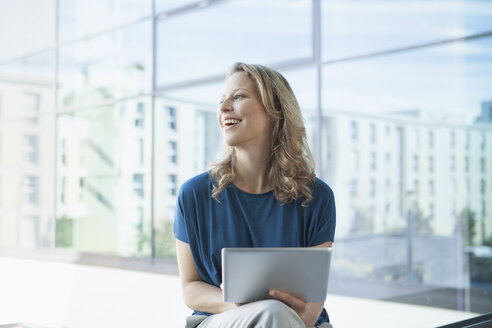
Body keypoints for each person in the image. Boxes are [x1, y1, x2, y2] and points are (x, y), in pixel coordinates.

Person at [174, 62, 336, 328]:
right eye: (221, 100)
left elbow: (312, 301)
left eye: (238, 97)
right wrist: (236, 303)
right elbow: (190, 288)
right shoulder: (193, 195)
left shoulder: (317, 197)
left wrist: (300, 316)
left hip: (297, 322)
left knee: (277, 316)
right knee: (272, 313)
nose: (224, 108)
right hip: (221, 319)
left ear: (275, 111)